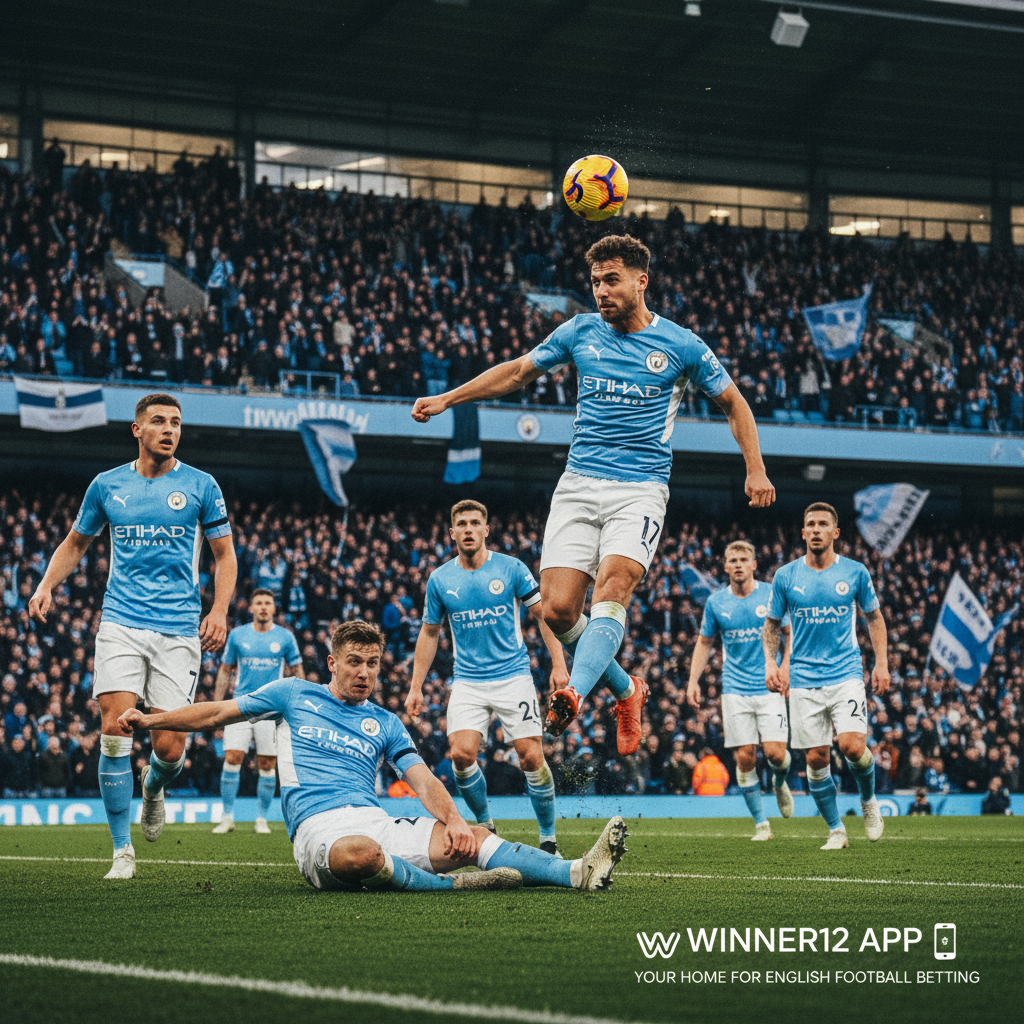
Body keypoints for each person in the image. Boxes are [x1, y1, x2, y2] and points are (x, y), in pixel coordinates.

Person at [412, 234, 775, 753]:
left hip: (640, 488)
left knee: (613, 587)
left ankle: (574, 693)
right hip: (579, 483)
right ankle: (627, 690)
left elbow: (735, 404)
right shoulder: (580, 330)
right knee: (557, 611)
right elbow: (518, 371)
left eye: (611, 280)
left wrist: (755, 469)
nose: (601, 291)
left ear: (641, 281)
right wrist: (449, 398)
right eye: (595, 281)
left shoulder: (682, 345)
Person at [117, 620, 628, 894]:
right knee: (359, 854)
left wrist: (453, 820)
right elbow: (215, 713)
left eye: (373, 664)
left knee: (474, 837)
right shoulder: (293, 693)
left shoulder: (384, 721)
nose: (364, 673)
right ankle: (449, 887)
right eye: (354, 662)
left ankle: (576, 871)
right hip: (318, 830)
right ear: (332, 662)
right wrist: (151, 720)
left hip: (376, 820)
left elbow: (422, 779)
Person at [29, 393, 237, 879]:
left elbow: (224, 555)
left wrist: (219, 609)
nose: (169, 430)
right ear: (137, 430)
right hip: (121, 622)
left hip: (178, 628)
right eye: (159, 421)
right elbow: (76, 542)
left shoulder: (201, 485)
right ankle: (122, 851)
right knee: (115, 729)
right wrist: (45, 584)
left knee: (170, 749)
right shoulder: (107, 485)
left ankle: (153, 786)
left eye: (176, 423)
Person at [405, 500, 570, 855]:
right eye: (462, 524)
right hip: (468, 680)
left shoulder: (511, 568)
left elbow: (543, 615)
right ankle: (486, 825)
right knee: (461, 755)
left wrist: (558, 664)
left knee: (531, 757)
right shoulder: (440, 579)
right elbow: (429, 632)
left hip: (513, 677)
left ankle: (548, 839)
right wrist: (415, 686)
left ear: (485, 530)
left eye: (474, 523)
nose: (468, 529)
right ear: (452, 533)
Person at [763, 503, 889, 851]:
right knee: (816, 759)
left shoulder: (855, 572)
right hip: (803, 677)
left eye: (823, 524)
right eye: (811, 524)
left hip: (845, 672)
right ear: (803, 532)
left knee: (852, 747)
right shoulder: (786, 576)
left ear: (835, 532)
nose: (816, 529)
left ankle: (869, 801)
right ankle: (836, 830)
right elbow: (772, 624)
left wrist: (881, 663)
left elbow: (874, 618)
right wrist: (771, 663)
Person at [687, 541, 794, 839]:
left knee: (775, 754)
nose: (738, 564)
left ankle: (779, 781)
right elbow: (704, 642)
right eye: (732, 560)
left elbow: (789, 633)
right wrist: (693, 681)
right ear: (725, 566)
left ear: (753, 564)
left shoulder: (770, 595)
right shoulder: (716, 603)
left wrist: (786, 666)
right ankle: (761, 824)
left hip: (769, 685)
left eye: (743, 559)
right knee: (745, 757)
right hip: (734, 688)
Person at [211, 588, 304, 835]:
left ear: (274, 608)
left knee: (266, 764)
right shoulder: (237, 635)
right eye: (259, 603)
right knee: (232, 758)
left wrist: (298, 705)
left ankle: (261, 818)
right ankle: (227, 817)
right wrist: (217, 706)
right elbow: (225, 670)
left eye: (268, 603)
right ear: (251, 608)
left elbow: (297, 670)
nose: (263, 607)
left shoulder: (285, 637)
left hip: (271, 709)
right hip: (240, 705)